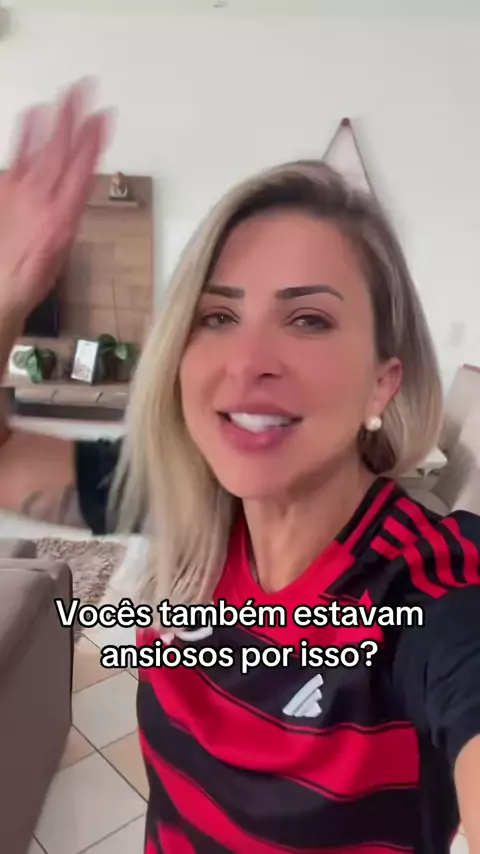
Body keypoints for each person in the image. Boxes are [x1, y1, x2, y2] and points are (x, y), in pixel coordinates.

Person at [1, 81, 480, 854]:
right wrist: (8, 293)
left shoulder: (428, 587)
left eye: (309, 319)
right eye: (219, 316)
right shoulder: (175, 497)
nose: (248, 360)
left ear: (381, 382)